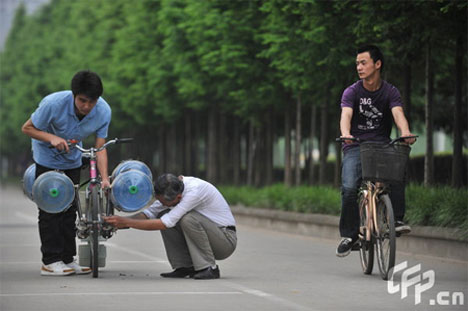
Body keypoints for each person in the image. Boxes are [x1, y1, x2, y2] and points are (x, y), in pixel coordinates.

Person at [22, 70, 112, 275]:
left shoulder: (104, 111)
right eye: (82, 101)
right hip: (47, 156)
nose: (87, 107)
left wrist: (105, 178)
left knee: (70, 208)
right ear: (74, 95)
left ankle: (67, 259)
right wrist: (51, 138)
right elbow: (27, 128)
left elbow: (100, 147)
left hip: (72, 157)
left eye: (92, 102)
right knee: (51, 208)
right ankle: (50, 261)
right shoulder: (53, 104)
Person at [336, 45, 416, 257]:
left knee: (397, 174)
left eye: (363, 63)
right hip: (355, 146)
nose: (359, 67)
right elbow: (346, 115)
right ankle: (349, 235)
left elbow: (398, 113)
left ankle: (396, 219)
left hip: (382, 145)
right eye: (357, 64)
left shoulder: (390, 91)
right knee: (349, 188)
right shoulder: (352, 91)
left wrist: (405, 132)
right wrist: (346, 134)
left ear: (377, 64)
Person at [104, 173, 237, 280]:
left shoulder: (194, 192)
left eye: (164, 201)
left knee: (187, 219)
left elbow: (165, 223)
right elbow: (150, 213)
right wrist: (117, 223)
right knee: (164, 212)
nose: (162, 203)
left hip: (225, 241)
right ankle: (185, 266)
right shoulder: (173, 189)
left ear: (178, 197)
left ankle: (209, 268)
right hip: (211, 237)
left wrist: (125, 222)